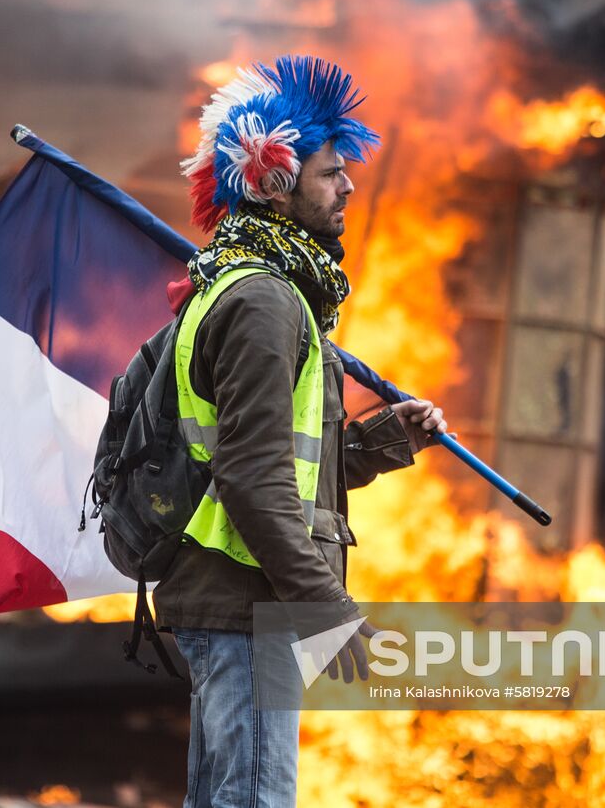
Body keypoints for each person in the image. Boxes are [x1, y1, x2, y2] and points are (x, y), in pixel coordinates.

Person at [153, 55, 447, 807]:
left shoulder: (269, 293)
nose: (348, 185)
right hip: (251, 604)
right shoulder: (263, 304)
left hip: (245, 602)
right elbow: (253, 484)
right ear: (274, 183)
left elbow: (278, 464)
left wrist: (385, 441)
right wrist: (330, 615)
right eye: (328, 172)